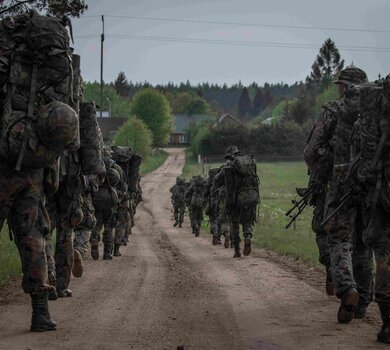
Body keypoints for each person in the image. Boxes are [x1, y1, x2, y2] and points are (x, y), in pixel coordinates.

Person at [215, 146, 260, 258]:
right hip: (252, 196)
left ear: (229, 156)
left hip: (236, 200)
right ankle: (248, 237)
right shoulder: (250, 162)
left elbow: (217, 181)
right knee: (248, 221)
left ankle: (237, 250)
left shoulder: (229, 166)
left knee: (234, 224)